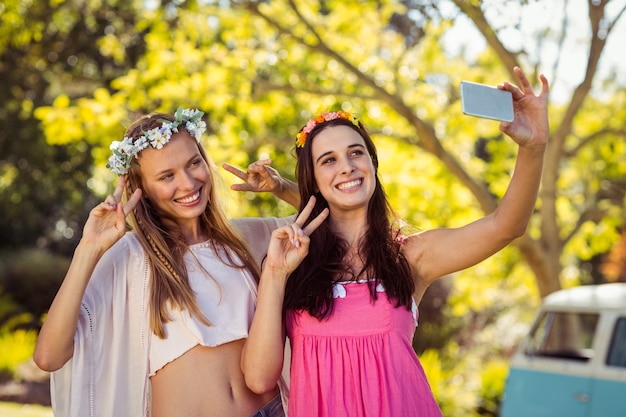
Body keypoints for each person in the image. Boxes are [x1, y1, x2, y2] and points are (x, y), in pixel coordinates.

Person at [241, 66, 550, 416]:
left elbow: (505, 226)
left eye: (355, 153)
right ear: (313, 177)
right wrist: (275, 273)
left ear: (372, 163)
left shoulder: (411, 256)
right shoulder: (293, 264)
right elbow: (258, 378)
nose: (346, 167)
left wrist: (534, 148)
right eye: (328, 160)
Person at [33, 107, 300, 417]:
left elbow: (332, 215)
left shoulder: (244, 237)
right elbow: (49, 356)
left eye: (193, 163)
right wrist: (89, 248)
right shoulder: (131, 257)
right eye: (167, 176)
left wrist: (281, 187)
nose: (187, 183)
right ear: (143, 191)